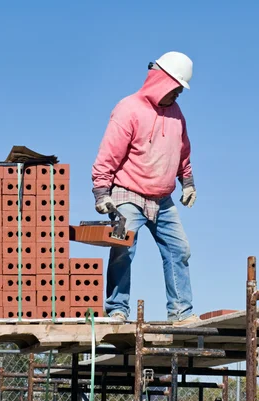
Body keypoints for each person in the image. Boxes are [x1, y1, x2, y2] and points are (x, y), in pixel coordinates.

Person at [91, 51, 199, 325]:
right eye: (175, 88)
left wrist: (187, 182)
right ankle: (117, 309)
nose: (178, 94)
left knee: (179, 250)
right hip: (128, 193)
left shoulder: (176, 114)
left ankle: (181, 313)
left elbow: (183, 150)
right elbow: (108, 153)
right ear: (161, 81)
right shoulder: (129, 108)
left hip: (163, 199)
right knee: (122, 249)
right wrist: (102, 192)